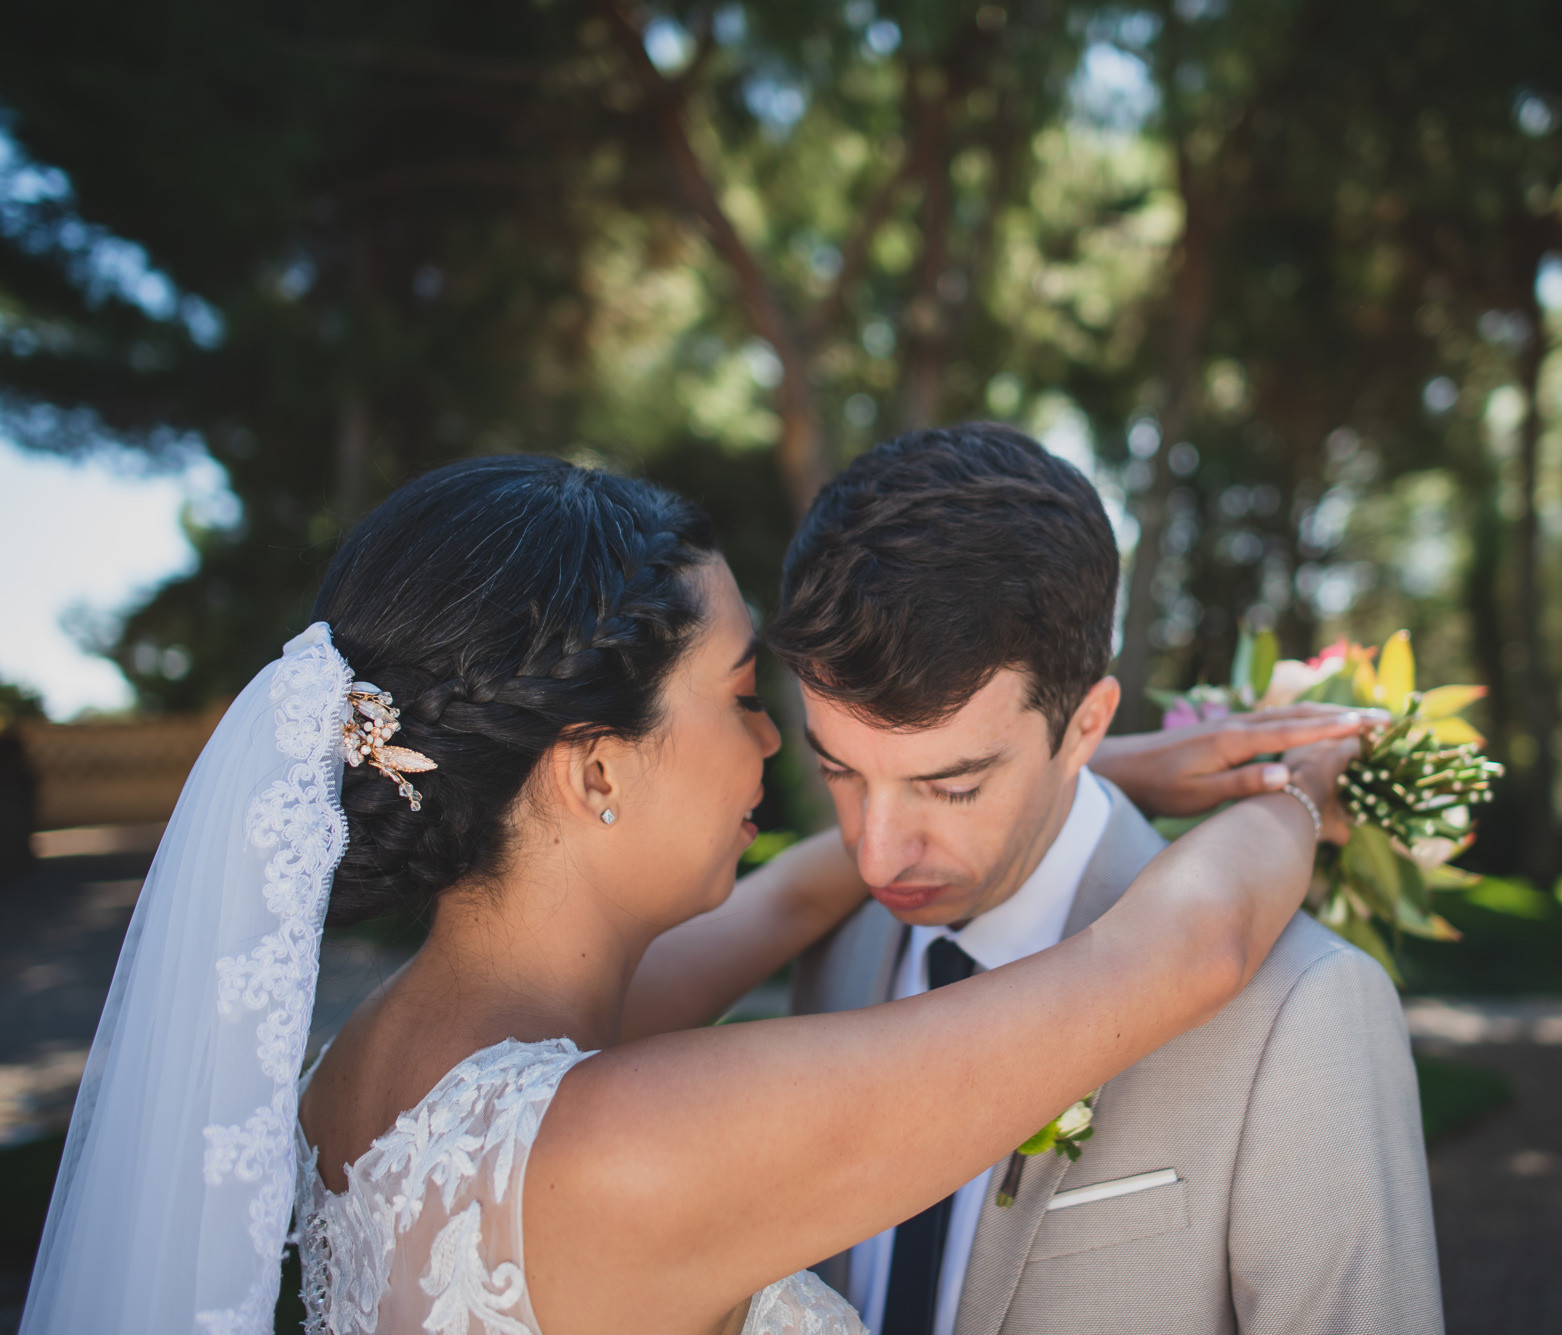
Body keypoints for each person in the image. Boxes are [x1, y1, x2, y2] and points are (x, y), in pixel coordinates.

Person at [21, 455, 1361, 1335]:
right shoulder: (621, 1141)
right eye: (739, 699)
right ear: (596, 765)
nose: (776, 749)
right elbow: (1190, 950)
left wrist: (1069, 761)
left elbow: (786, 904)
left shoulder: (378, 1069)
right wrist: (1300, 789)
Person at [767, 423, 1446, 1335]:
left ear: (1087, 727)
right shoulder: (836, 951)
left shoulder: (1304, 1009)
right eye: (840, 771)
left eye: (953, 785)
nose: (876, 855)